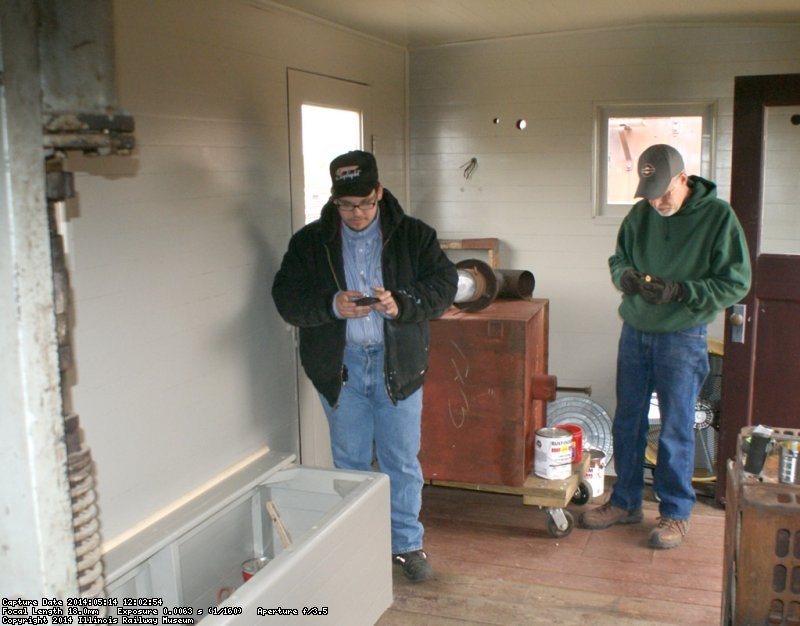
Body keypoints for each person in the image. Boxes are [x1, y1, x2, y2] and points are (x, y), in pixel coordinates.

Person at [272, 150, 458, 581]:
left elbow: (444, 285)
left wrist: (402, 303)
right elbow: (286, 297)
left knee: (401, 460)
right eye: (346, 205)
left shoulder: (415, 236)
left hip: (400, 366)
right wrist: (330, 305)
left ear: (379, 192)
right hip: (341, 369)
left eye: (365, 203)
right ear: (334, 199)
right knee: (350, 461)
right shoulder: (309, 243)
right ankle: (358, 543)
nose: (356, 214)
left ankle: (407, 544)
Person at [579, 144, 751, 549]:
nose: (657, 202)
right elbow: (618, 258)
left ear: (683, 179)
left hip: (683, 334)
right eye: (650, 193)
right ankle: (625, 502)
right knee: (628, 420)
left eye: (663, 192)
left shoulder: (718, 217)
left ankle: (675, 513)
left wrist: (680, 291)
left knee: (675, 427)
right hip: (635, 330)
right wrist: (626, 279)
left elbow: (736, 282)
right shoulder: (641, 215)